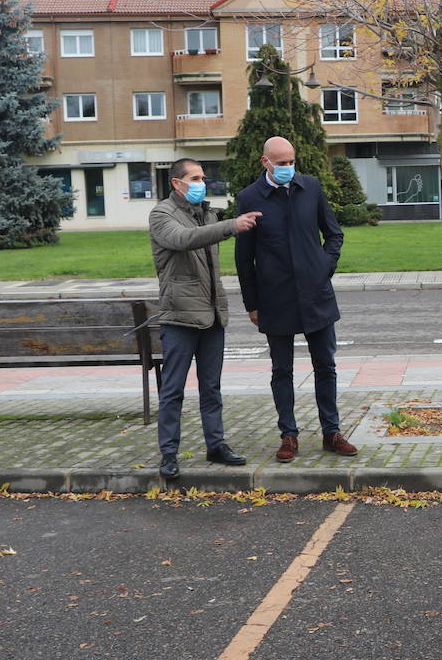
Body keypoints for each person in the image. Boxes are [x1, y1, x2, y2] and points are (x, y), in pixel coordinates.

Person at [234, 136, 358, 463]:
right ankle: (288, 435)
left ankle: (332, 432)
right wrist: (252, 303)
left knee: (326, 366)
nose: (288, 168)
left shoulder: (311, 188)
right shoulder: (249, 198)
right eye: (281, 163)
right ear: (266, 163)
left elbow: (334, 234)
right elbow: (244, 258)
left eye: (292, 161)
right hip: (275, 298)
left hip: (316, 295)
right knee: (281, 370)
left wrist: (323, 268)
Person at [149, 158, 262, 479]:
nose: (202, 183)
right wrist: (232, 226)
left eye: (203, 177)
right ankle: (169, 453)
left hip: (212, 315)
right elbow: (183, 239)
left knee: (211, 387)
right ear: (177, 183)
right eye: (195, 178)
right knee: (172, 390)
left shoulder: (207, 213)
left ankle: (216, 445)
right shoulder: (162, 214)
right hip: (181, 317)